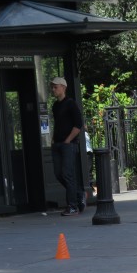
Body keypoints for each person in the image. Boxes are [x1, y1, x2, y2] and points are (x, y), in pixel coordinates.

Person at [51, 77, 85, 216]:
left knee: (67, 174)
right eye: (52, 87)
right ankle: (79, 195)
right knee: (59, 174)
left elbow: (79, 124)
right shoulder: (55, 105)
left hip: (68, 145)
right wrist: (53, 139)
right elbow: (57, 124)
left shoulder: (71, 104)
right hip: (57, 144)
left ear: (63, 88)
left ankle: (72, 206)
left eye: (56, 87)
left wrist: (68, 140)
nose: (53, 89)